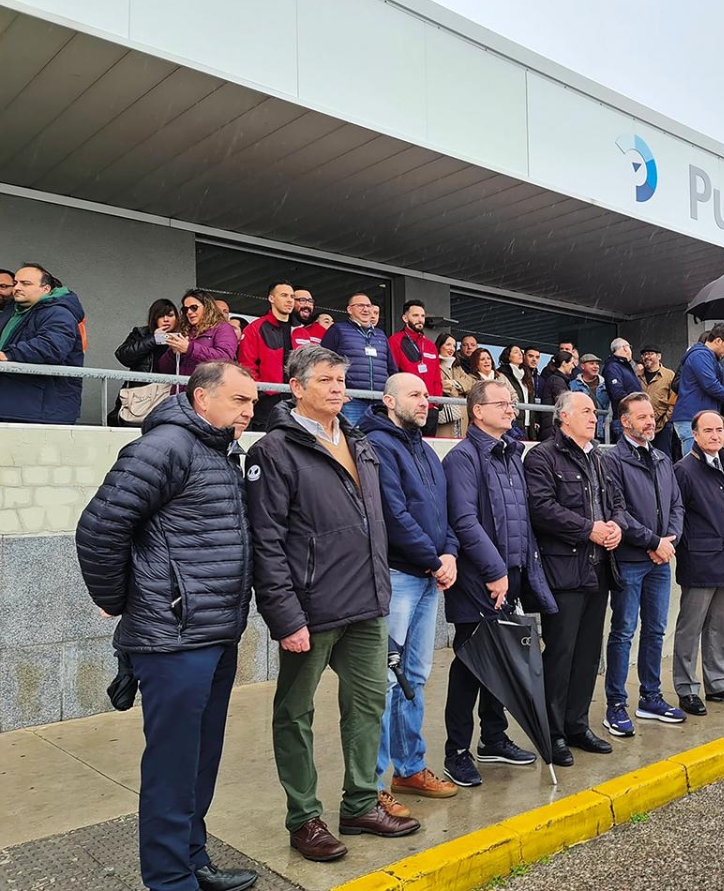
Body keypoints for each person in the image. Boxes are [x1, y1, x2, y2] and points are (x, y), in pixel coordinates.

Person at [76, 361, 260, 891]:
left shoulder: (220, 450)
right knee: (172, 766)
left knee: (200, 762)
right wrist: (119, 599)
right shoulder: (165, 447)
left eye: (252, 402)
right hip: (173, 638)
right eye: (237, 400)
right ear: (201, 398)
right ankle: (169, 879)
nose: (248, 411)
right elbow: (99, 527)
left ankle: (193, 862)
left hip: (215, 632)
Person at [246, 346, 415, 863]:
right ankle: (304, 819)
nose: (338, 387)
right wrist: (285, 615)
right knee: (295, 712)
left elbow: (376, 524)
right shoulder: (274, 450)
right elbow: (266, 541)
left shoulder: (359, 442)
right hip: (311, 610)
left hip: (366, 603)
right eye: (326, 379)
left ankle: (361, 803)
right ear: (296, 387)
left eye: (342, 379)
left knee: (368, 705)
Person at [440, 379, 557, 787]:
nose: (511, 410)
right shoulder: (463, 457)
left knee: (503, 661)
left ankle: (494, 738)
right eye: (503, 404)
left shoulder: (511, 453)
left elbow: (520, 519)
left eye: (512, 404)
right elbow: (464, 521)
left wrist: (519, 572)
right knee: (471, 664)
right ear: (477, 411)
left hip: (512, 575)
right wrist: (494, 572)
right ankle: (457, 751)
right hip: (480, 578)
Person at [358, 374, 462, 802]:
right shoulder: (377, 445)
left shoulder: (424, 449)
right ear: (388, 401)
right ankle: (374, 785)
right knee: (385, 680)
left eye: (426, 395)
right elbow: (393, 515)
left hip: (427, 575)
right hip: (400, 576)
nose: (425, 402)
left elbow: (445, 512)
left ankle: (410, 767)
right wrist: (434, 559)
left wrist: (450, 553)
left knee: (414, 677)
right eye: (415, 395)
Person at [525, 391, 624, 766]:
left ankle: (577, 724)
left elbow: (617, 503)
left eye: (595, 411)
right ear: (564, 417)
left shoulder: (599, 458)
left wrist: (615, 526)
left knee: (588, 654)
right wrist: (589, 529)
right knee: (561, 653)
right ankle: (551, 733)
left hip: (599, 568)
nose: (594, 416)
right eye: (586, 411)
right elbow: (541, 508)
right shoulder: (541, 456)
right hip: (563, 570)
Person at [602, 392, 686, 735]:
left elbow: (677, 505)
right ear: (625, 422)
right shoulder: (612, 461)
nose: (650, 421)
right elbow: (617, 512)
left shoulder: (664, 458)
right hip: (631, 560)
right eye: (642, 417)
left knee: (655, 630)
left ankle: (650, 697)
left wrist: (669, 542)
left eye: (651, 416)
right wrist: (653, 543)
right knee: (623, 632)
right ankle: (615, 705)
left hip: (660, 560)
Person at [672, 410, 724, 714]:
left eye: (719, 429)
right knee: (690, 629)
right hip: (700, 562)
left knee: (720, 627)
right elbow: (679, 516)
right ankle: (687, 689)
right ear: (695, 434)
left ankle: (717, 683)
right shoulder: (684, 470)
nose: (716, 435)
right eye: (709, 430)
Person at [0, 263, 86, 424]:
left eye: (26, 283)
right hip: (16, 403)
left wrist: (7, 355)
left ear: (46, 289)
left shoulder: (59, 312)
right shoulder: (15, 311)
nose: (17, 288)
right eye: (16, 283)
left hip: (39, 410)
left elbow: (52, 347)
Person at [239, 281, 315, 431]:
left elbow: (311, 366)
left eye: (292, 297)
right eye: (284, 295)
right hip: (267, 400)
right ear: (271, 299)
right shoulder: (255, 328)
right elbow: (246, 365)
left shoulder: (302, 331)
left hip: (298, 399)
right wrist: (260, 392)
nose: (289, 300)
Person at [320, 292, 396, 425]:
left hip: (379, 401)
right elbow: (323, 363)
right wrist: (339, 393)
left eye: (368, 306)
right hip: (352, 400)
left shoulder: (380, 335)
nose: (366, 309)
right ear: (350, 310)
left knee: (377, 440)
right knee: (352, 440)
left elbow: (391, 367)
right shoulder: (338, 330)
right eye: (360, 305)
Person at [671, 324, 724, 457]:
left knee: (700, 465)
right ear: (718, 341)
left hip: (695, 416)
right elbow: (711, 386)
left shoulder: (704, 356)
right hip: (691, 418)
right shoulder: (701, 356)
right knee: (694, 466)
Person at [108, 298, 179, 426]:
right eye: (161, 316)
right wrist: (153, 339)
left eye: (170, 315)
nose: (166, 320)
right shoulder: (141, 333)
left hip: (169, 395)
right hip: (141, 395)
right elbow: (123, 356)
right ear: (154, 318)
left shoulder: (182, 337)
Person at [157, 289, 238, 383]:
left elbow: (225, 358)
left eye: (194, 307)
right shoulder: (185, 330)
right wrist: (172, 353)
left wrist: (189, 348)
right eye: (185, 309)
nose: (189, 312)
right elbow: (164, 369)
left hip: (210, 389)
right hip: (184, 389)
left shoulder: (222, 328)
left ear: (207, 307)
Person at [388, 299, 442, 435]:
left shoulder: (430, 345)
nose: (420, 319)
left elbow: (437, 377)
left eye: (422, 316)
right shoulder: (395, 341)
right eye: (415, 315)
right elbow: (393, 374)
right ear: (405, 318)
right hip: (408, 408)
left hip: (430, 408)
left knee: (428, 448)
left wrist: (436, 404)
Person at [639, 344, 677, 456]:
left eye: (650, 354)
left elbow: (674, 399)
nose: (647, 357)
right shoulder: (637, 375)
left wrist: (665, 420)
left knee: (663, 458)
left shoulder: (669, 375)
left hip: (662, 426)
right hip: (642, 426)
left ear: (659, 357)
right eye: (644, 354)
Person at [436, 332, 474, 438]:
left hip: (462, 416)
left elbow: (471, 384)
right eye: (448, 344)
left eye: (454, 346)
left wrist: (453, 384)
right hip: (446, 416)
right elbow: (441, 385)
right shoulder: (434, 365)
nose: (451, 348)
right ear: (440, 346)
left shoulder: (457, 367)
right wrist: (460, 387)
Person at [602, 337, 641, 437]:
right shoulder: (613, 367)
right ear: (625, 348)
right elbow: (617, 393)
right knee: (627, 451)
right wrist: (635, 406)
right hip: (624, 420)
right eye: (630, 347)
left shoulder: (624, 366)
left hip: (632, 417)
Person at [498, 344, 537, 440]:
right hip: (513, 422)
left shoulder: (527, 375)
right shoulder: (501, 374)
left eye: (521, 352)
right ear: (508, 356)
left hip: (528, 424)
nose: (520, 354)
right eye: (515, 352)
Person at [570, 354, 611, 442]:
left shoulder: (607, 384)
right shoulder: (572, 385)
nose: (596, 366)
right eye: (592, 363)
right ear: (583, 366)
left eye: (597, 364)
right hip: (581, 430)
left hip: (602, 431)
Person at [540, 350, 575, 436]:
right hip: (553, 427)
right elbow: (565, 403)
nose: (573, 366)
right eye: (571, 363)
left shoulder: (559, 380)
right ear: (564, 363)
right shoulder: (557, 381)